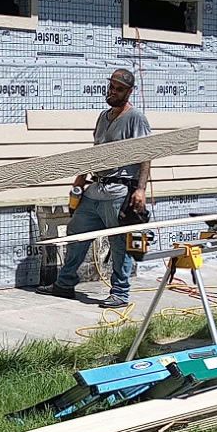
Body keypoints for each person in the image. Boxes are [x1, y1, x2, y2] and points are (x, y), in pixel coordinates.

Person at [53, 68, 152, 306]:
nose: (113, 92)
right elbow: (94, 153)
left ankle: (120, 293)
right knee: (77, 234)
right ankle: (64, 284)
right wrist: (80, 178)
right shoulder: (103, 116)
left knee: (119, 244)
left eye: (119, 89)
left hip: (119, 192)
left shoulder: (135, 118)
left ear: (129, 92)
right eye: (111, 87)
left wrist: (140, 190)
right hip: (95, 189)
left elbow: (147, 154)